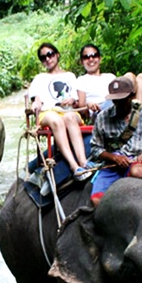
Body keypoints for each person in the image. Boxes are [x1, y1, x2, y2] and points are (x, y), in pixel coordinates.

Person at [88, 75, 142, 206]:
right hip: (111, 166)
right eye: (115, 101)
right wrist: (113, 157)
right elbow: (95, 148)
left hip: (136, 162)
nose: (119, 104)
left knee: (138, 172)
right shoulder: (103, 117)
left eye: (122, 100)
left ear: (132, 97)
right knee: (96, 200)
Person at [28, 42, 92, 181]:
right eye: (43, 57)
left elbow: (77, 100)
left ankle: (84, 162)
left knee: (69, 117)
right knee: (56, 119)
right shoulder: (40, 78)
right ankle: (74, 166)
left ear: (57, 55)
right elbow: (37, 99)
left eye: (50, 54)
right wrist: (36, 104)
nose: (48, 59)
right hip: (49, 112)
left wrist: (72, 101)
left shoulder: (70, 76)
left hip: (69, 111)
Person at [75, 44, 142, 122]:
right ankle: (134, 120)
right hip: (101, 110)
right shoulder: (81, 80)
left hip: (119, 103)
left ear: (100, 58)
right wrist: (89, 104)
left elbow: (122, 93)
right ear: (82, 61)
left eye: (94, 55)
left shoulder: (110, 77)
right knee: (128, 77)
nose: (91, 59)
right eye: (86, 57)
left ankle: (135, 119)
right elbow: (81, 107)